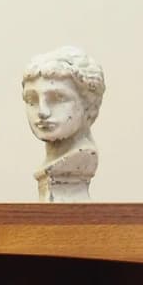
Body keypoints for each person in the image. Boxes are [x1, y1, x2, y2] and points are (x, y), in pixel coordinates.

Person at [22, 46, 104, 201]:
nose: (42, 112)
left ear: (89, 104)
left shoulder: (81, 159)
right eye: (32, 99)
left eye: (57, 98)